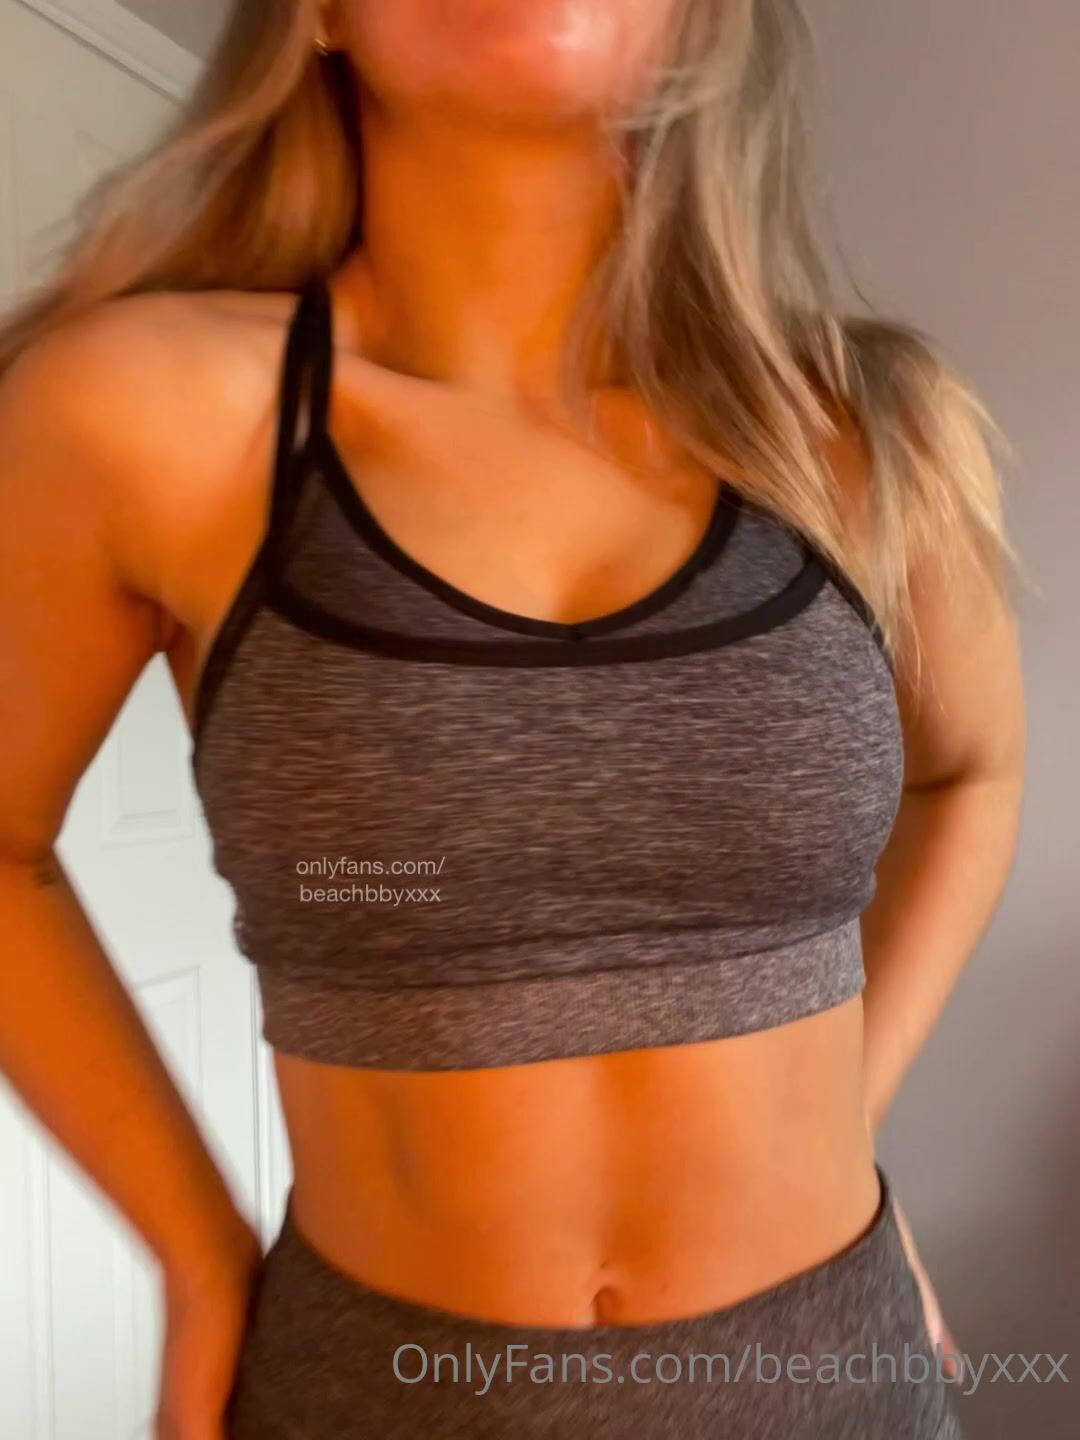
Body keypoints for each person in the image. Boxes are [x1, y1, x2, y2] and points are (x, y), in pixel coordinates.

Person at [0, 2, 1025, 1437]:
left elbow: (975, 770)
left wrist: (847, 1118)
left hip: (834, 1376)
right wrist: (195, 1254)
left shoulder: (860, 431)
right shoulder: (138, 413)